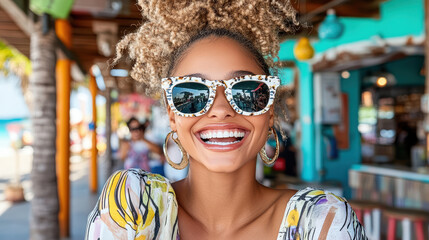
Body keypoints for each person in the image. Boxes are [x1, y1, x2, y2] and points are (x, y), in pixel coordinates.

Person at [86, 1, 366, 239]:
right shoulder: (133, 207)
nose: (220, 108)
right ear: (172, 116)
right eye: (192, 93)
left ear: (269, 113)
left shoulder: (321, 223)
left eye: (245, 90)